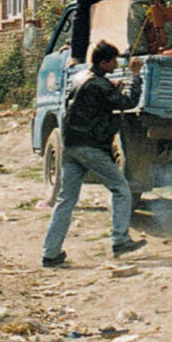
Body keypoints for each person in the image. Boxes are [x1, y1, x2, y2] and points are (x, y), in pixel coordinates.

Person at [40, 40, 146, 267]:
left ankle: (50, 253)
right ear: (104, 62)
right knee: (121, 189)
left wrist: (112, 86)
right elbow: (128, 102)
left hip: (70, 146)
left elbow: (93, 100)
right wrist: (135, 76)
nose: (116, 65)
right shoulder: (99, 85)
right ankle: (120, 240)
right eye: (113, 61)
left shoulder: (81, 78)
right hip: (90, 147)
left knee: (65, 200)